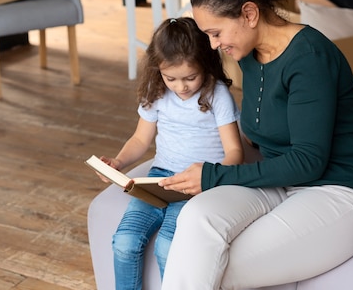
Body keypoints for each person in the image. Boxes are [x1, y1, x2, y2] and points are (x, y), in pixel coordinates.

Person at [158, 0, 353, 289]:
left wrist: (214, 177)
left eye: (215, 33)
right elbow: (262, 132)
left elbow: (309, 162)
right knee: (197, 220)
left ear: (249, 14)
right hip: (280, 183)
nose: (214, 45)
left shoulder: (309, 57)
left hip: (339, 192)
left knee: (214, 267)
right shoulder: (249, 53)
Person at [97, 17, 244, 290]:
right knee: (125, 241)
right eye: (171, 78)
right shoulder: (156, 92)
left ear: (206, 64)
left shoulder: (217, 94)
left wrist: (212, 178)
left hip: (196, 183)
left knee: (168, 246)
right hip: (159, 180)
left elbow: (235, 151)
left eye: (190, 77)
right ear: (158, 71)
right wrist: (118, 162)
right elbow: (141, 138)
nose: (181, 87)